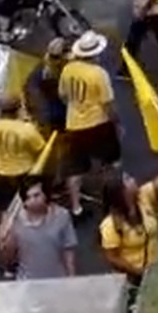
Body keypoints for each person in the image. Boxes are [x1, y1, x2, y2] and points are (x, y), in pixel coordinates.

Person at [99, 135, 158, 282]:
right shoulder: (111, 225)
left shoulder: (143, 196)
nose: (133, 179)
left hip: (157, 270)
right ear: (120, 192)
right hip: (134, 279)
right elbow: (112, 257)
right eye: (128, 180)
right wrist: (139, 272)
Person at [59, 30, 121, 219]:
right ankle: (111, 201)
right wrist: (116, 123)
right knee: (109, 162)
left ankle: (76, 207)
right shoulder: (98, 74)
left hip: (73, 124)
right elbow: (108, 104)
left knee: (75, 167)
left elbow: (63, 95)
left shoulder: (68, 69)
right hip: (98, 124)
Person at [0, 97, 47, 242]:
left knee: (3, 210)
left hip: (0, 174)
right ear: (19, 109)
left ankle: (4, 240)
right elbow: (41, 148)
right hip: (24, 174)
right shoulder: (26, 129)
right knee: (30, 208)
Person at [0, 177, 77, 280]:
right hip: (27, 281)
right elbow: (9, 258)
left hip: (57, 279)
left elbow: (68, 249)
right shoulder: (15, 222)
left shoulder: (62, 216)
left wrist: (72, 278)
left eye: (36, 195)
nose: (33, 201)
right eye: (28, 197)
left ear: (45, 196)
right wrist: (5, 238)